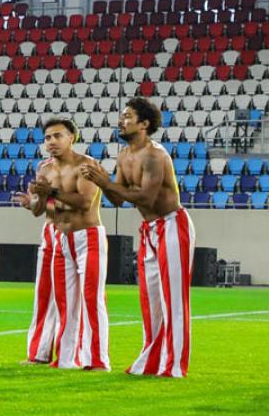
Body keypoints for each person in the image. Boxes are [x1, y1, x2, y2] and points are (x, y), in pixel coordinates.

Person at [77, 97, 192, 378]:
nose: (122, 120)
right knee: (150, 299)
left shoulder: (155, 155)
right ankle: (151, 361)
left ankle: (174, 365)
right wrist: (102, 181)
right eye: (122, 116)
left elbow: (147, 197)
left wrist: (106, 183)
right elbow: (118, 200)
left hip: (172, 225)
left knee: (173, 300)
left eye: (128, 116)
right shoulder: (124, 155)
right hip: (150, 230)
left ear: (144, 124)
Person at [13, 116, 109, 371]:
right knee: (63, 300)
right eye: (47, 138)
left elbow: (84, 202)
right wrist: (33, 203)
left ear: (71, 138)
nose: (52, 142)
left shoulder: (86, 165)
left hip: (86, 235)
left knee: (92, 298)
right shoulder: (44, 169)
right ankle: (67, 358)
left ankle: (98, 360)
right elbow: (43, 209)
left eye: (58, 136)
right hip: (59, 236)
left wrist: (50, 193)